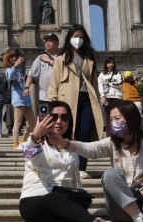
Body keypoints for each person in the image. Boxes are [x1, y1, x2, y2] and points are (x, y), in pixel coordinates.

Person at [17, 100, 116, 222]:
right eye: (54, 116)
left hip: (63, 202)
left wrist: (80, 199)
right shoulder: (34, 144)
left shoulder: (71, 148)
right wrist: (36, 136)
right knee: (55, 198)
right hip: (34, 202)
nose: (59, 121)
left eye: (64, 118)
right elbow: (30, 156)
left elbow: (76, 180)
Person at [46, 25, 104, 177]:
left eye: (80, 37)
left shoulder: (90, 59)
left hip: (86, 99)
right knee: (67, 133)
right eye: (74, 36)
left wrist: (98, 101)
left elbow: (94, 83)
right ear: (69, 38)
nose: (77, 39)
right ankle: (65, 165)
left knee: (84, 133)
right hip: (66, 101)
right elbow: (55, 81)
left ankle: (81, 168)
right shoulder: (61, 59)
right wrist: (53, 101)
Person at [5, 51, 35, 149]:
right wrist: (15, 66)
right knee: (17, 122)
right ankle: (15, 143)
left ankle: (23, 139)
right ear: (8, 59)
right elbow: (10, 77)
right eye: (12, 57)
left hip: (26, 97)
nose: (14, 58)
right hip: (17, 96)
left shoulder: (20, 69)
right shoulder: (9, 69)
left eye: (15, 57)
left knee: (32, 123)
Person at [27, 32, 60, 107]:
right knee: (45, 118)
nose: (48, 43)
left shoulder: (62, 57)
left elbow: (63, 69)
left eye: (50, 41)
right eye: (46, 41)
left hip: (59, 96)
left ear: (57, 43)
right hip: (44, 97)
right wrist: (27, 87)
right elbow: (31, 75)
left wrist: (49, 61)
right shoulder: (40, 58)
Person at [97, 57, 124, 122]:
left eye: (112, 63)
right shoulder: (102, 74)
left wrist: (108, 84)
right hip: (107, 97)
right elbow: (99, 85)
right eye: (109, 63)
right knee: (108, 117)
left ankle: (118, 131)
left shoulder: (118, 74)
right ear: (106, 64)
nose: (111, 64)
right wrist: (103, 96)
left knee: (118, 116)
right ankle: (109, 132)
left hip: (117, 97)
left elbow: (121, 84)